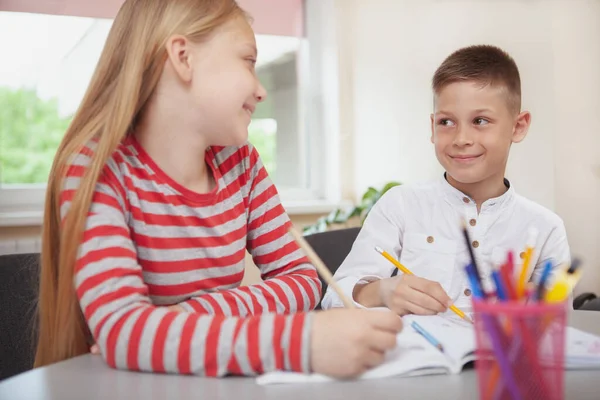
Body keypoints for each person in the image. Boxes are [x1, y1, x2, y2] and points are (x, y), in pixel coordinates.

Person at [34, 0, 402, 378]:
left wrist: (193, 313)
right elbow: (123, 333)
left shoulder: (240, 163)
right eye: (248, 61)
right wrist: (299, 342)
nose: (261, 91)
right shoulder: (96, 168)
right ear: (183, 57)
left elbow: (303, 279)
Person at [322, 45, 571, 316]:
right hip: (418, 356)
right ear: (432, 127)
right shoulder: (401, 204)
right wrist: (382, 291)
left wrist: (539, 312)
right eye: (446, 122)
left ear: (518, 126)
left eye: (480, 120)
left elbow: (563, 319)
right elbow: (335, 297)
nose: (461, 139)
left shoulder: (546, 228)